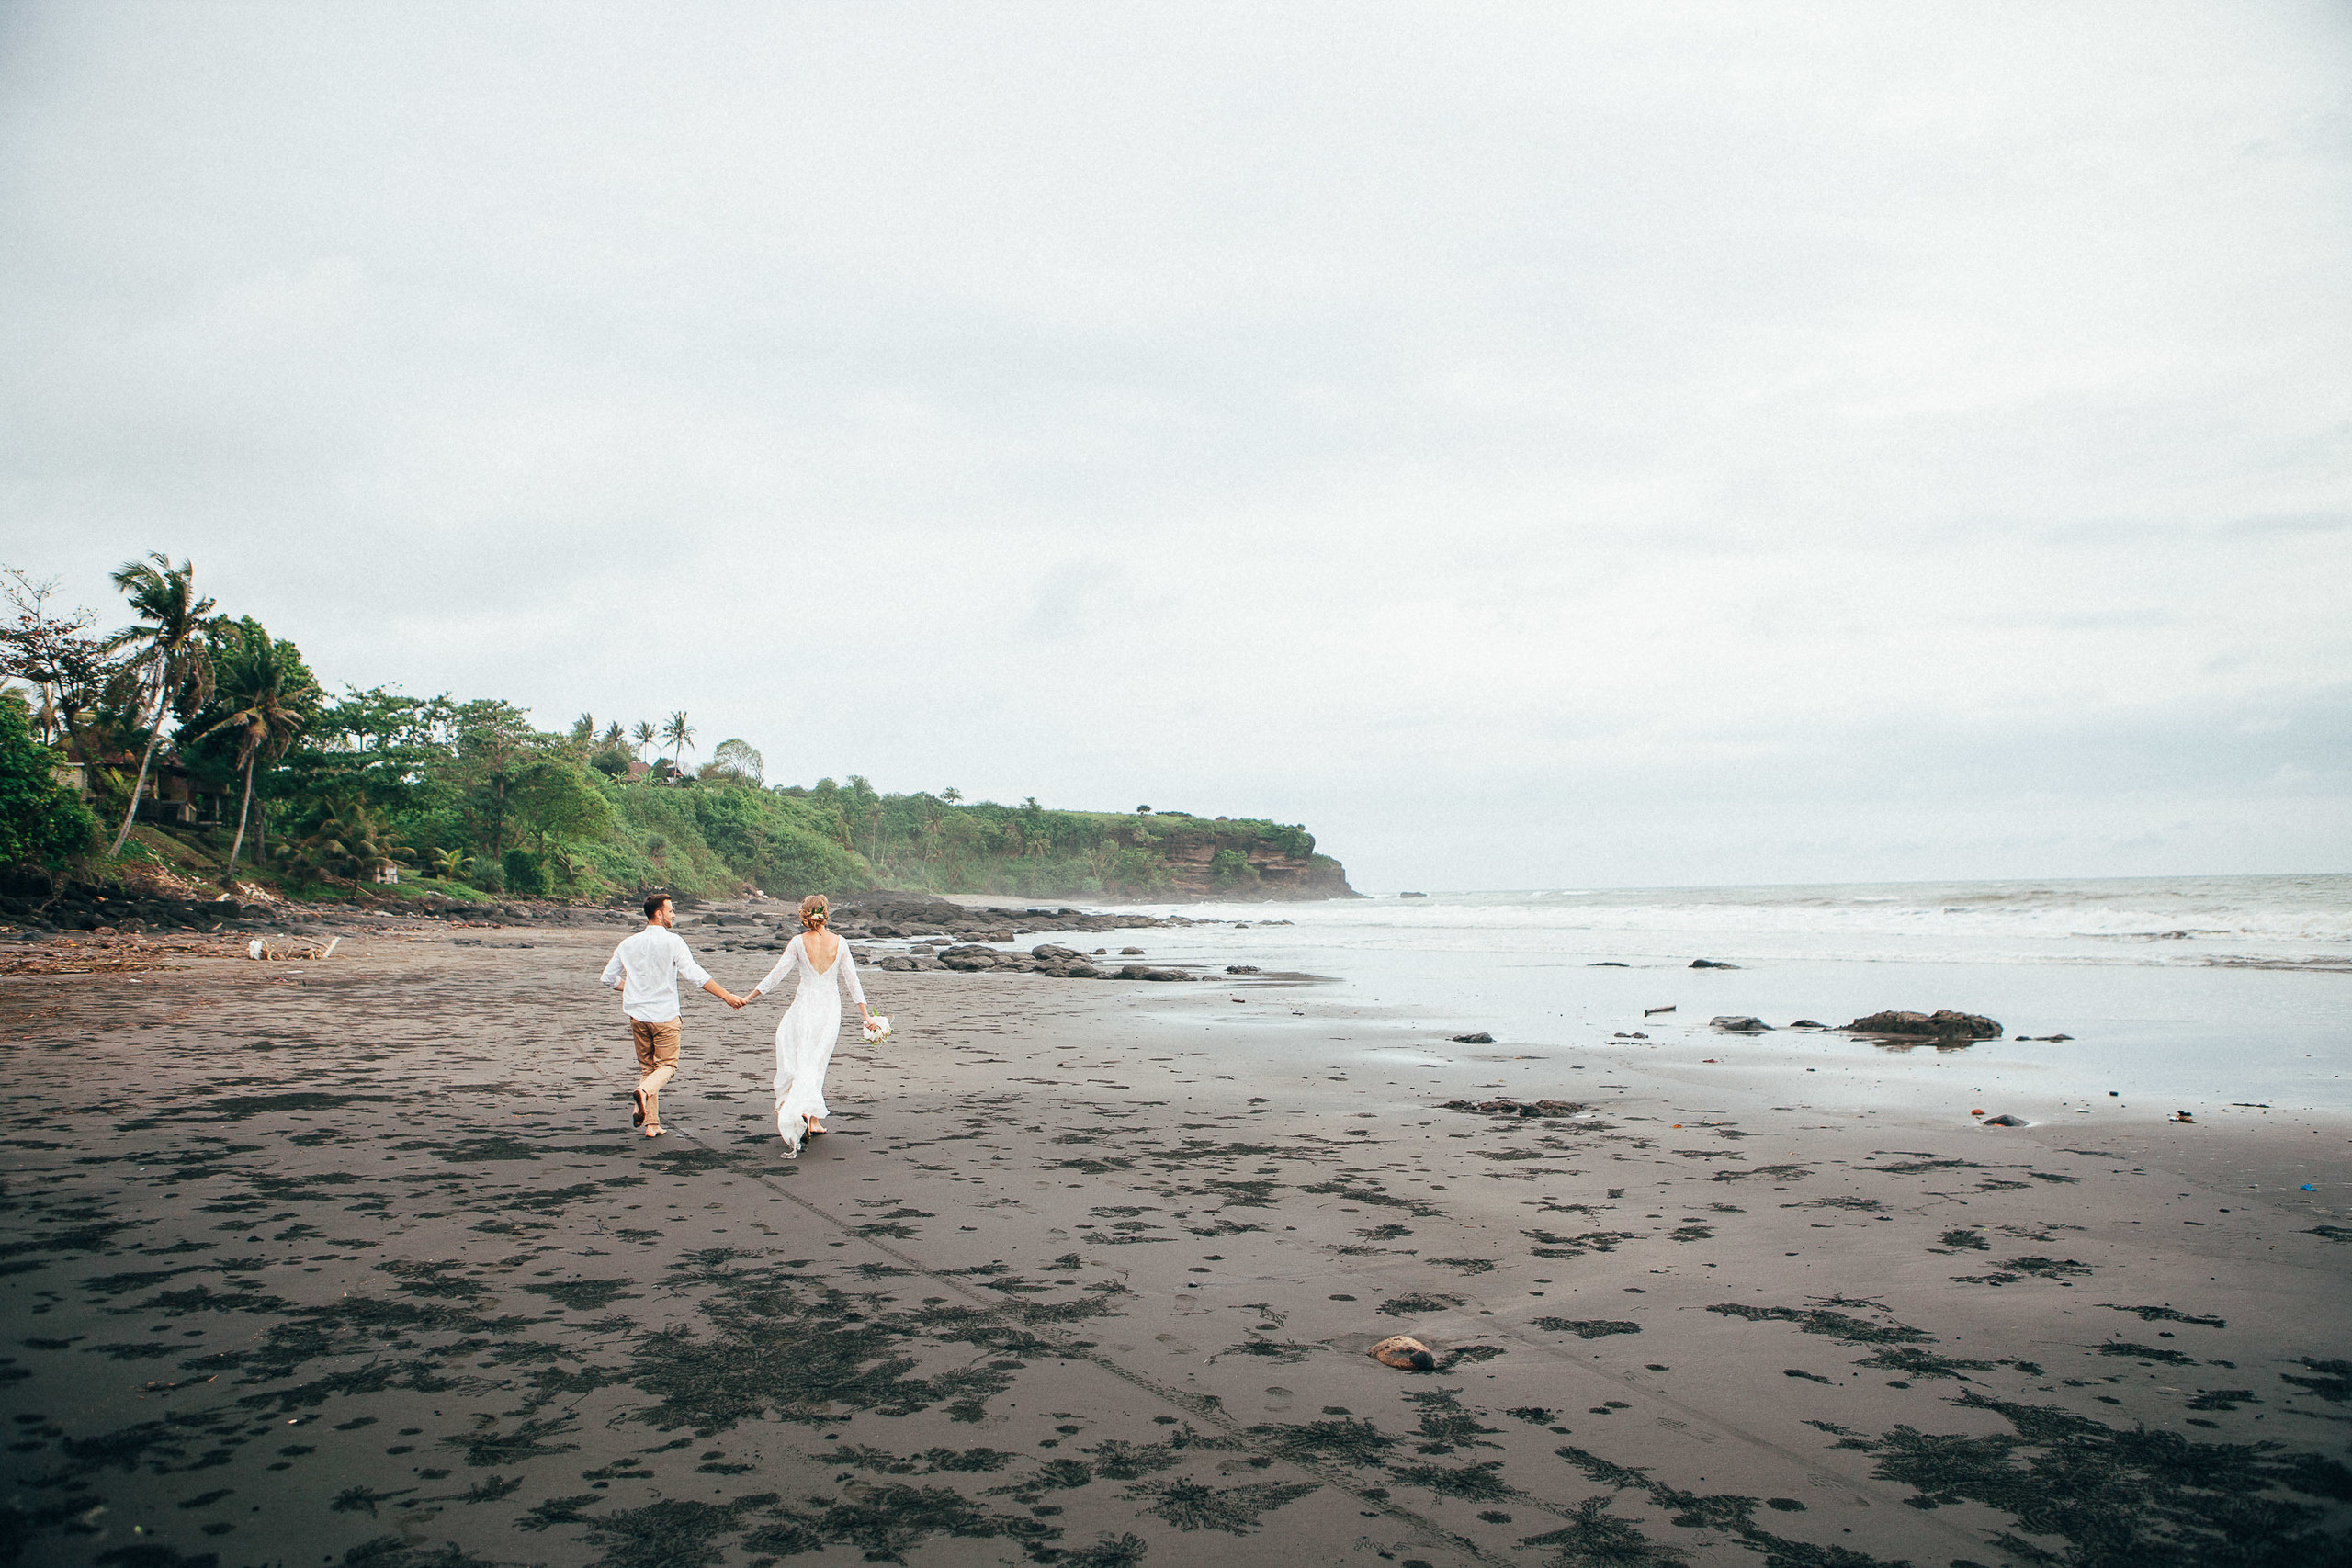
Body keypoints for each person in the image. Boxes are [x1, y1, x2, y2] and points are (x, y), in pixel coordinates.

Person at [599, 891, 743, 1137]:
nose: (673, 915)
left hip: (637, 1016)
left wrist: (631, 987)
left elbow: (607, 979)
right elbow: (695, 975)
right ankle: (643, 1094)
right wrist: (726, 996)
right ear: (659, 914)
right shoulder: (673, 941)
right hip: (664, 1016)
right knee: (666, 1066)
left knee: (648, 1068)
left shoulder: (628, 944)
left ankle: (652, 1125)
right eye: (670, 910)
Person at [741, 893, 876, 1156]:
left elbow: (776, 975)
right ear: (826, 914)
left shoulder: (797, 943)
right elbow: (852, 982)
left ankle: (807, 1115)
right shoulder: (841, 943)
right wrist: (866, 1016)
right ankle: (809, 1116)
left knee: (800, 1058)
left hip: (803, 1007)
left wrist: (749, 997)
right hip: (828, 1009)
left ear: (805, 915)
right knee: (816, 1061)